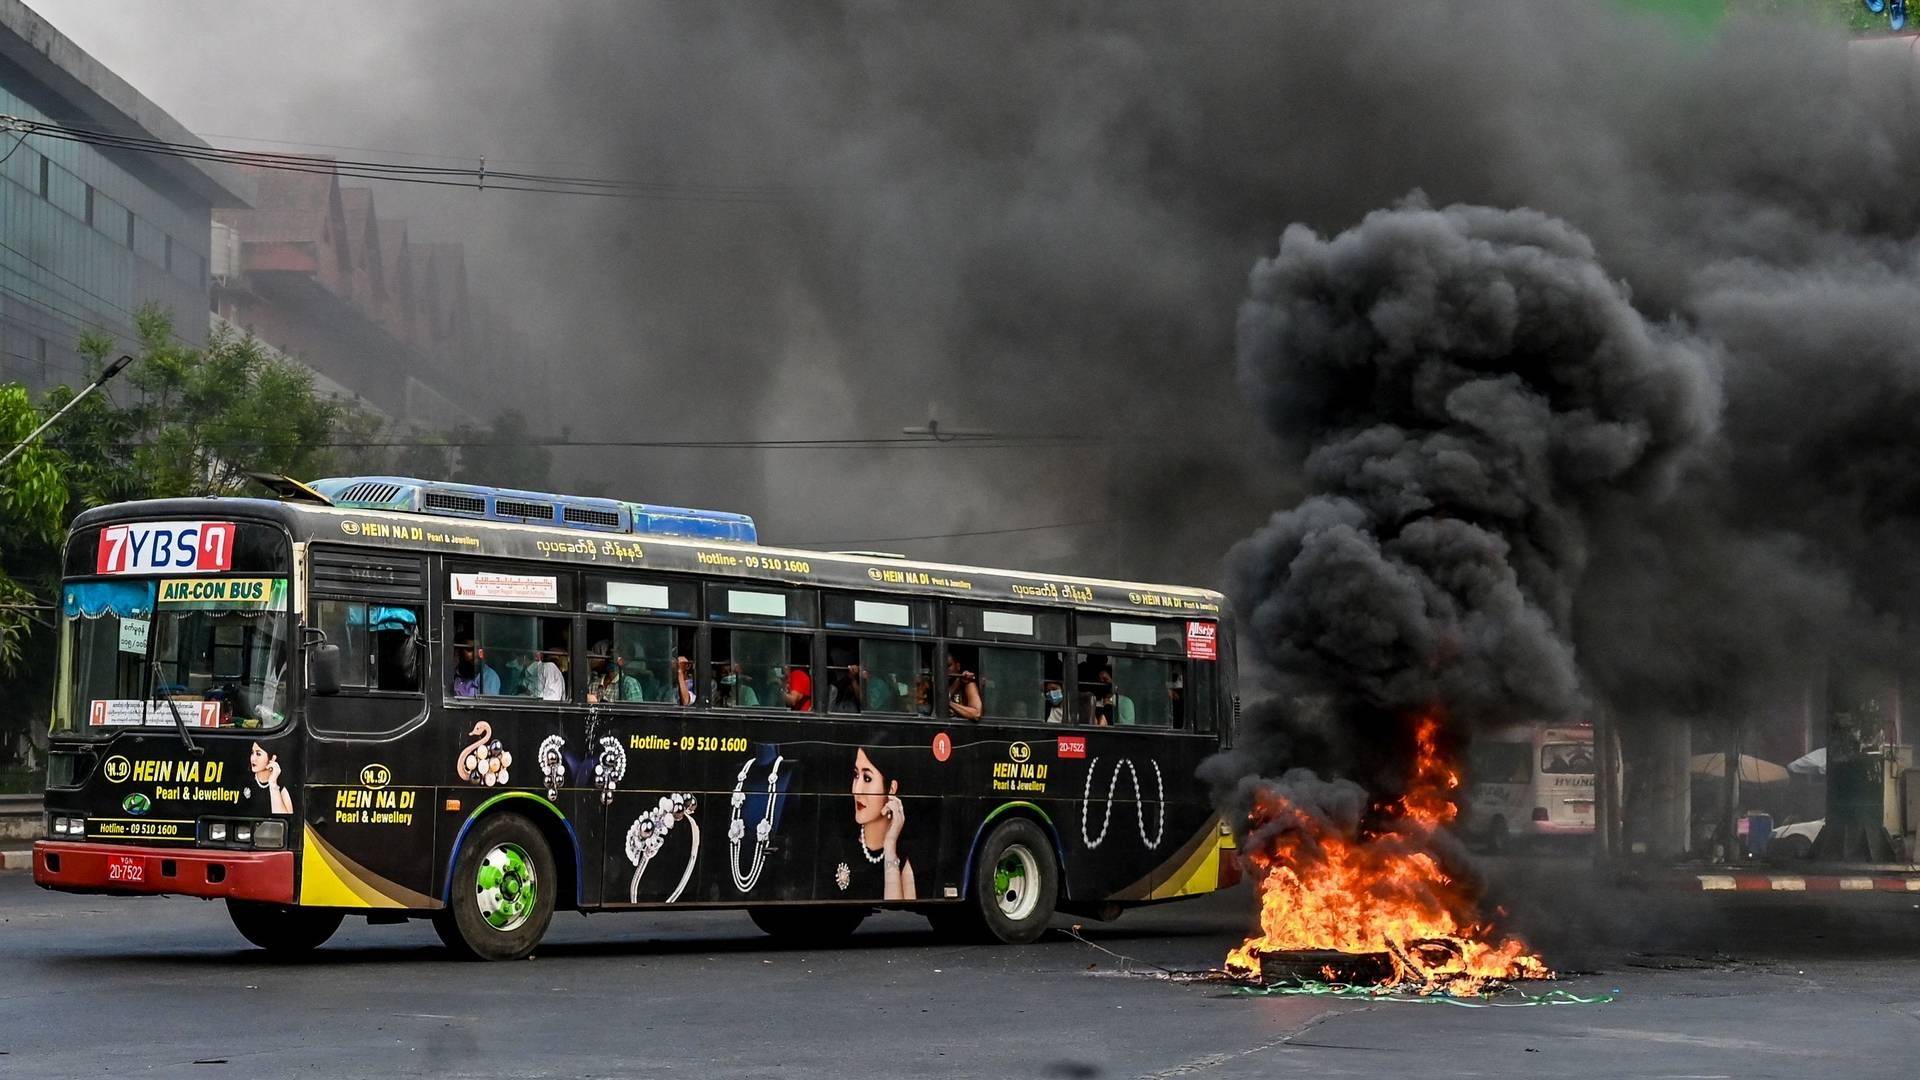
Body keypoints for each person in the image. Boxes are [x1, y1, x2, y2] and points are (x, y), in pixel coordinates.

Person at [851, 747, 915, 900]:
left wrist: (890, 843)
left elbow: (897, 915)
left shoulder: (904, 858)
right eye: (856, 775)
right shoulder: (839, 844)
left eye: (867, 778)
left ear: (891, 788)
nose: (856, 790)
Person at [250, 741, 293, 815]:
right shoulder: (245, 781)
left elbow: (285, 819)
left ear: (272, 758)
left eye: (258, 754)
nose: (253, 758)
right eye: (252, 752)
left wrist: (273, 784)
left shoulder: (282, 788)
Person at [946, 653, 983, 721]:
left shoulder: (967, 683)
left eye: (948, 665)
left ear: (958, 666)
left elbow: (976, 714)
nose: (945, 669)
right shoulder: (934, 684)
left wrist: (948, 703)